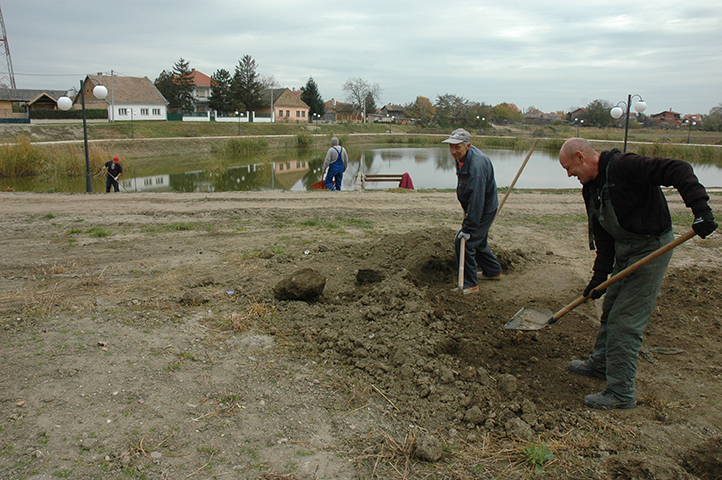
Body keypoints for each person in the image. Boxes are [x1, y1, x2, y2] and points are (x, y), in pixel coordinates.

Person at [559, 137, 717, 410]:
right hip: (625, 250)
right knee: (611, 308)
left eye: (569, 168)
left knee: (625, 321)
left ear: (581, 157)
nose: (569, 174)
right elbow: (603, 234)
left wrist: (700, 209)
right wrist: (600, 276)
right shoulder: (590, 188)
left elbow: (678, 169)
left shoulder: (625, 166)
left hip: (651, 248)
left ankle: (621, 393)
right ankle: (601, 363)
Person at [443, 128, 503, 294]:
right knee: (479, 241)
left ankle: (470, 285)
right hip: (475, 206)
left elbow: (477, 198)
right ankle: (493, 271)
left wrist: (468, 227)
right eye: (451, 147)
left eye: (457, 147)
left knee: (465, 242)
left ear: (468, 146)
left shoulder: (476, 165)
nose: (453, 151)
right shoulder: (463, 157)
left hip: (483, 209)